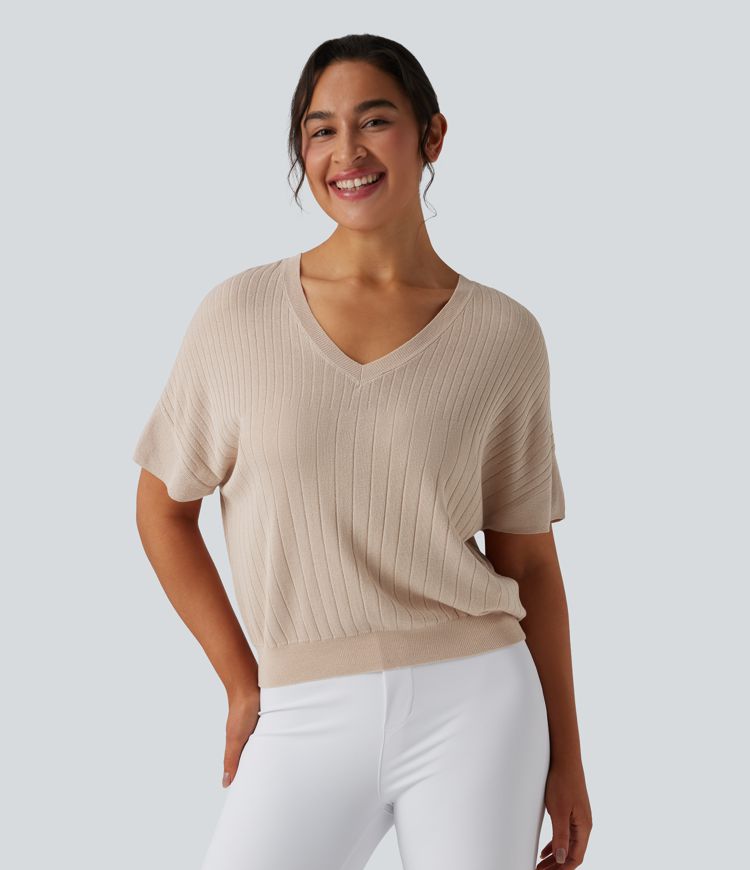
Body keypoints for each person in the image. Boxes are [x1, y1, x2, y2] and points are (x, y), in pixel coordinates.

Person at [133, 33, 592, 870]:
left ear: (431, 135)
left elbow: (529, 562)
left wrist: (569, 757)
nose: (346, 152)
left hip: (478, 702)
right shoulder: (237, 317)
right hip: (300, 709)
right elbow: (163, 512)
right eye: (321, 130)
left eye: (374, 121)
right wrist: (240, 680)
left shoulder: (504, 336)